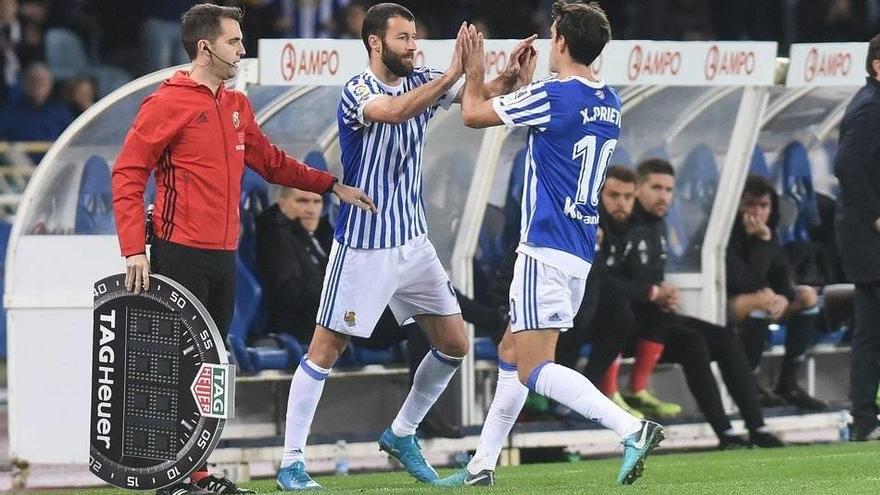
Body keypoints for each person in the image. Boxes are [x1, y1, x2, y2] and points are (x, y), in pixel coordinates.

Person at [111, 5, 374, 495]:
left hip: (224, 254)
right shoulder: (167, 103)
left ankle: (196, 472)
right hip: (178, 252)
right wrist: (133, 250)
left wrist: (332, 185)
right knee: (178, 365)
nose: (242, 49)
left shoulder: (236, 105)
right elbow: (128, 173)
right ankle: (171, 476)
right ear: (205, 46)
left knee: (210, 367)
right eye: (234, 42)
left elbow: (271, 163)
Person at [275, 3, 539, 490]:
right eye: (402, 38)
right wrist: (453, 76)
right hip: (364, 244)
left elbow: (477, 102)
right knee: (326, 349)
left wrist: (509, 78)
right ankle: (291, 463)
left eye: (415, 37)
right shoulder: (359, 91)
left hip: (412, 241)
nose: (413, 46)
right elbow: (395, 112)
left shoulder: (427, 78)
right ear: (375, 43)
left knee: (455, 343)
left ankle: (401, 433)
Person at [434, 3, 662, 488]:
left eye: (552, 32)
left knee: (537, 367)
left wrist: (478, 72)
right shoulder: (610, 99)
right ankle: (482, 466)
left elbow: (472, 114)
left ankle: (631, 428)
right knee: (512, 350)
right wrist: (520, 85)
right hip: (578, 251)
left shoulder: (553, 96)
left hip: (544, 247)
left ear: (559, 42)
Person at [584, 162, 784, 450]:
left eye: (668, 190)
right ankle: (724, 433)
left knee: (724, 338)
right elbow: (609, 280)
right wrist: (652, 293)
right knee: (692, 342)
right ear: (638, 189)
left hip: (651, 319)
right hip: (620, 324)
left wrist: (661, 295)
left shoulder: (658, 225)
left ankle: (756, 426)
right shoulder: (622, 223)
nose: (663, 196)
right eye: (656, 188)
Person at [582, 159, 683, 418]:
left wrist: (659, 293)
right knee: (618, 314)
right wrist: (651, 292)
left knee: (663, 315)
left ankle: (635, 389)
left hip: (613, 306)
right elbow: (602, 279)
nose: (622, 203)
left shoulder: (635, 226)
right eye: (614, 195)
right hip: (579, 311)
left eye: (628, 197)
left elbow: (635, 274)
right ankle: (601, 393)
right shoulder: (593, 224)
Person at [727, 174, 826, 410]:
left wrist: (785, 297)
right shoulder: (726, 233)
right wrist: (762, 242)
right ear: (737, 205)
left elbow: (784, 276)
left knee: (807, 296)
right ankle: (748, 382)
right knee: (760, 301)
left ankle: (788, 383)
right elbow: (744, 283)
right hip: (721, 303)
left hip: (763, 299)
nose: (757, 212)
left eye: (763, 206)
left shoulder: (769, 232)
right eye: (750, 205)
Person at [834, 33, 880, 442]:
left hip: (864, 238)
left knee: (871, 330)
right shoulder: (871, 108)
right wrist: (876, 216)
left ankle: (865, 418)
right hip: (870, 240)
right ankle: (864, 418)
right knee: (871, 330)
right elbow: (846, 165)